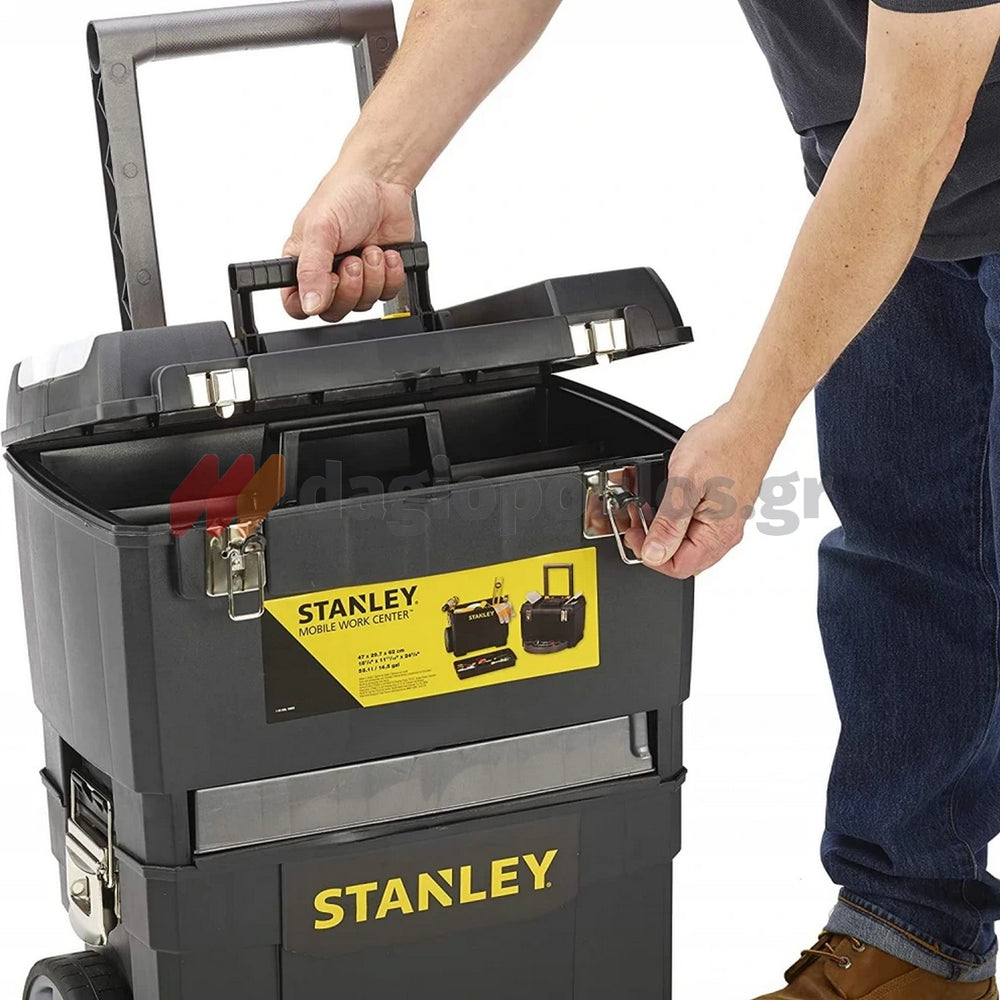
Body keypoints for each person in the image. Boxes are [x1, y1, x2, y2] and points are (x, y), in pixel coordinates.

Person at [281, 2, 1000, 997]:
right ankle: (912, 940)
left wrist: (754, 416)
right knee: (907, 552)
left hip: (912, 137)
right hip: (897, 187)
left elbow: (917, 120)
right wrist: (380, 165)